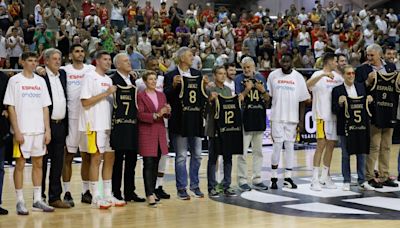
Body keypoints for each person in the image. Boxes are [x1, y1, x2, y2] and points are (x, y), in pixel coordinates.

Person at [3, 52, 54, 215]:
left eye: (34, 61)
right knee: (20, 165)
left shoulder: (40, 81)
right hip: (22, 130)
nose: (33, 64)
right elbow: (10, 107)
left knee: (39, 164)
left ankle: (38, 199)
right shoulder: (14, 81)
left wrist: (47, 130)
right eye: (29, 61)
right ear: (22, 62)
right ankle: (19, 201)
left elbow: (45, 107)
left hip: (39, 130)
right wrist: (16, 130)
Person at [79, 50, 125, 209]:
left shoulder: (108, 79)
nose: (108, 62)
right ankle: (95, 195)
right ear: (97, 61)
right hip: (94, 124)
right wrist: (106, 93)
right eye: (105, 59)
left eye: (110, 60)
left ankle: (107, 193)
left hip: (109, 126)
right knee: (96, 158)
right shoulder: (90, 77)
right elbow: (85, 102)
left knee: (110, 159)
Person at [164, 47, 208, 199]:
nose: (193, 57)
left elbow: (203, 96)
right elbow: (166, 96)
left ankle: (195, 185)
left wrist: (205, 87)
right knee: (181, 156)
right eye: (190, 55)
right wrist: (174, 86)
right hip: (179, 120)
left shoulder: (197, 74)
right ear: (182, 58)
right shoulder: (170, 75)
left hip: (195, 120)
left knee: (197, 155)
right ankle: (181, 188)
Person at [355, 44, 398, 188]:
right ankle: (369, 176)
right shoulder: (362, 69)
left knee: (386, 146)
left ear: (380, 55)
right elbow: (358, 88)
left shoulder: (391, 68)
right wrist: (368, 81)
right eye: (367, 55)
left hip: (389, 109)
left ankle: (384, 175)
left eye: (372, 55)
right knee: (374, 145)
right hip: (373, 111)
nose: (369, 58)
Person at [267, 54, 310, 189]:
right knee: (277, 146)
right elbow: (268, 97)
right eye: (283, 61)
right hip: (277, 117)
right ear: (280, 61)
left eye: (287, 61)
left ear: (292, 62)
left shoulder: (298, 77)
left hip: (292, 118)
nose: (285, 63)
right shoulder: (273, 75)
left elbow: (303, 101)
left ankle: (288, 178)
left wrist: (301, 121)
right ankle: (273, 177)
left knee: (290, 147)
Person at [61, 44, 95, 206]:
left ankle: (85, 191)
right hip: (72, 118)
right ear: (70, 55)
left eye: (82, 51)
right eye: (76, 51)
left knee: (87, 156)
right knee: (68, 156)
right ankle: (66, 191)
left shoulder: (90, 69)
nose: (80, 53)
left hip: (88, 118)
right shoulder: (64, 70)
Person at [332, 65, 375, 191]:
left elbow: (366, 106)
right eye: (348, 74)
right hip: (345, 127)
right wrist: (339, 103)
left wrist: (370, 100)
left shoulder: (361, 87)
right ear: (343, 75)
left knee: (361, 154)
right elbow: (334, 109)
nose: (351, 76)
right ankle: (346, 180)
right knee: (346, 155)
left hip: (360, 126)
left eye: (352, 73)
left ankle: (362, 180)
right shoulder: (337, 90)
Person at [110, 53, 145, 203]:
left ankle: (130, 192)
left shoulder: (132, 80)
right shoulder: (112, 80)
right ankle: (116, 192)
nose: (129, 63)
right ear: (117, 65)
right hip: (118, 125)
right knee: (117, 161)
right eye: (125, 61)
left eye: (129, 60)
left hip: (132, 125)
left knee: (131, 160)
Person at [307, 53, 344, 191]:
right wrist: (322, 76)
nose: (337, 63)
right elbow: (307, 85)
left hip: (333, 116)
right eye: (335, 61)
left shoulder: (338, 77)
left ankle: (325, 176)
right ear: (328, 62)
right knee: (320, 145)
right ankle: (314, 179)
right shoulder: (318, 75)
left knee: (331, 146)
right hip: (321, 115)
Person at [135, 56, 170, 199]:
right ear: (144, 81)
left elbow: (166, 115)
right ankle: (149, 193)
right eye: (150, 79)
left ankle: (154, 190)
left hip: (160, 131)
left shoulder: (161, 95)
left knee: (156, 162)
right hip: (147, 131)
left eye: (155, 79)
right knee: (148, 162)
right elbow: (140, 115)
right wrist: (156, 115)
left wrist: (168, 111)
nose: (153, 82)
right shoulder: (140, 95)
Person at [41, 48, 71, 208]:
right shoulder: (41, 75)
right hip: (46, 125)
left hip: (61, 124)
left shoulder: (63, 74)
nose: (58, 61)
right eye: (54, 59)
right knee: (42, 162)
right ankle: (39, 197)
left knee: (58, 162)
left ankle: (54, 197)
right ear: (46, 61)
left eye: (59, 58)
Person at [234, 57, 269, 191]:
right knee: (242, 152)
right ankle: (242, 180)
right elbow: (238, 99)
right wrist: (247, 89)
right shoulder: (238, 79)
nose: (247, 70)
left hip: (259, 117)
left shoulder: (261, 78)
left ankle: (257, 178)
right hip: (244, 119)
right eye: (244, 67)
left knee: (258, 151)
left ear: (254, 67)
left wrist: (263, 90)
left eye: (249, 67)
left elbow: (267, 99)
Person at [206, 66, 240, 197]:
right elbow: (205, 109)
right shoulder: (209, 89)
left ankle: (227, 185)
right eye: (220, 73)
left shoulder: (227, 90)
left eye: (224, 74)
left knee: (228, 157)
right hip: (214, 128)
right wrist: (209, 99)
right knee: (213, 158)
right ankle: (212, 186)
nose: (223, 76)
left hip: (227, 129)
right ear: (214, 75)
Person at [0, 70, 8, 215]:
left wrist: (6, 109)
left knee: (0, 169)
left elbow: (8, 101)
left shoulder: (3, 78)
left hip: (0, 128)